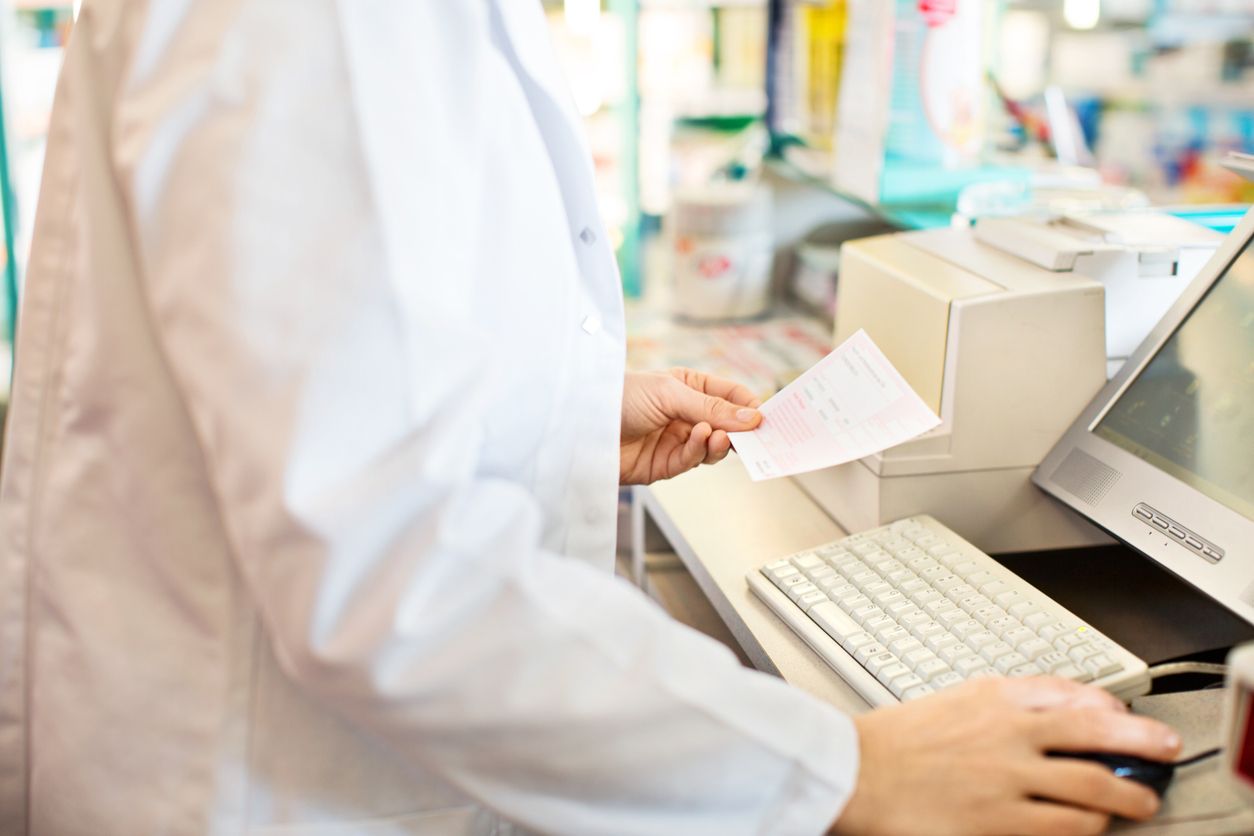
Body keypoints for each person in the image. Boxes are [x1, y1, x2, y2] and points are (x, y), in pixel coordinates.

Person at [0, 2, 1181, 834]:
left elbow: (317, 354)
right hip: (256, 784)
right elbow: (385, 576)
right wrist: (844, 769)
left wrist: (558, 420)